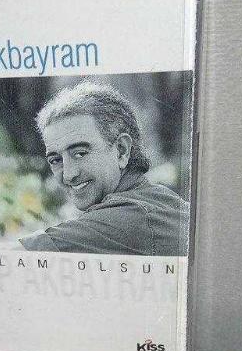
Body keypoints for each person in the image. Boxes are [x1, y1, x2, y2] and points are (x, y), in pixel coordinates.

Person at [18, 81, 189, 255]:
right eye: (55, 160)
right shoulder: (160, 201)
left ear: (121, 150)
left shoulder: (126, 218)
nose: (69, 175)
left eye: (80, 153)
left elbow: (8, 258)